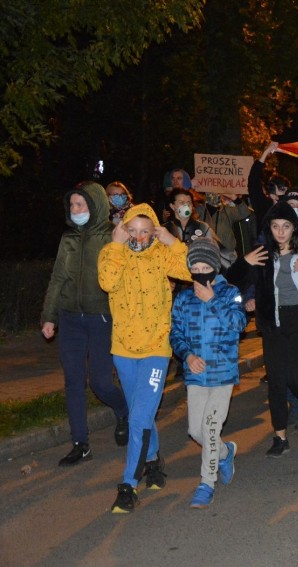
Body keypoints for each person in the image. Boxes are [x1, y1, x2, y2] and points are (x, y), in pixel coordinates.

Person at [97, 203, 192, 513]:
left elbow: (191, 269)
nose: (138, 236)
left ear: (154, 232)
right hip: (123, 349)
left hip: (155, 349)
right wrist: (115, 244)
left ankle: (128, 484)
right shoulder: (114, 253)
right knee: (143, 413)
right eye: (132, 230)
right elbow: (107, 283)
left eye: (145, 231)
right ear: (123, 229)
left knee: (138, 417)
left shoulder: (162, 255)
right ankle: (152, 461)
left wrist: (173, 242)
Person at [228, 201, 298, 456]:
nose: (280, 231)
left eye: (286, 226)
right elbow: (231, 281)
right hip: (272, 321)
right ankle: (280, 436)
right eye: (275, 226)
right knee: (276, 382)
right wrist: (246, 262)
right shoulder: (261, 254)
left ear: (295, 227)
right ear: (269, 229)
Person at [41, 181, 129, 467]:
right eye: (72, 205)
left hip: (101, 318)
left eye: (81, 204)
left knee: (102, 383)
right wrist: (49, 317)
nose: (75, 209)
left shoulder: (113, 237)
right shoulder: (68, 238)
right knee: (74, 382)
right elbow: (57, 279)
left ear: (95, 205)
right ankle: (80, 443)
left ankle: (123, 410)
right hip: (70, 319)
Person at [170, 238, 246, 508]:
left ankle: (206, 483)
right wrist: (187, 356)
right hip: (196, 375)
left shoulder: (230, 292)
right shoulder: (183, 298)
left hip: (223, 373)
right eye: (196, 267)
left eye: (206, 266)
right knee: (196, 430)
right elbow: (175, 334)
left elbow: (239, 324)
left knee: (211, 428)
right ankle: (225, 453)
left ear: (214, 266)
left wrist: (213, 300)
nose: (201, 272)